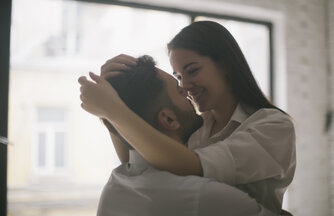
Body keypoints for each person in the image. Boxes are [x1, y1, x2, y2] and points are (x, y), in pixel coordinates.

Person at [79, 21, 296, 214]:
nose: (184, 86)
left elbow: (193, 167)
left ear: (226, 65)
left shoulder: (271, 126)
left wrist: (112, 108)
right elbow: (135, 158)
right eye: (178, 77)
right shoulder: (196, 126)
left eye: (192, 71)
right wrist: (116, 95)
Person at [92, 55, 274, 216]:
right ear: (169, 120)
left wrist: (111, 106)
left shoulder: (114, 185)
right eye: (179, 90)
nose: (187, 90)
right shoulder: (205, 195)